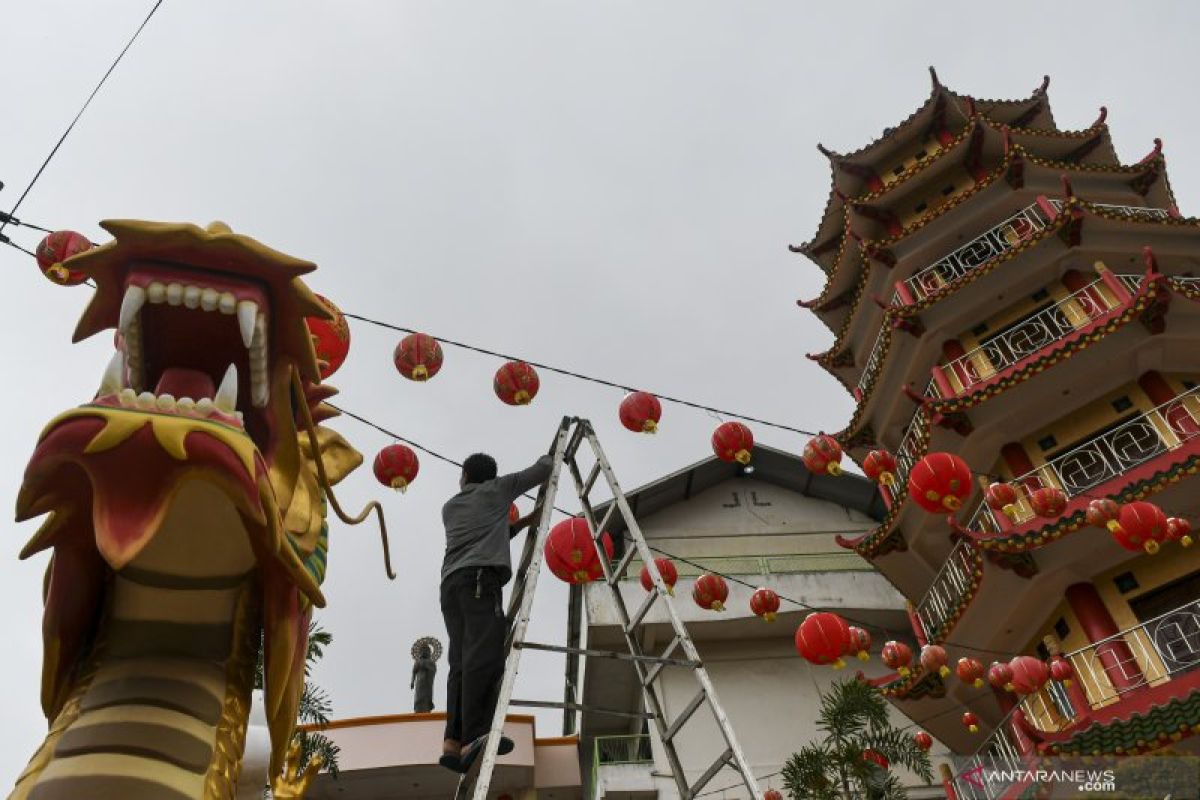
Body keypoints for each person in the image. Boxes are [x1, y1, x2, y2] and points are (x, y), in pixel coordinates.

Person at [439, 451, 552, 773]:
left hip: (452, 586)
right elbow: (541, 469)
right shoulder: (498, 489)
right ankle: (476, 733)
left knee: (460, 661)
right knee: (484, 657)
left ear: (464, 475)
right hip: (479, 582)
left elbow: (488, 532)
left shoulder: (451, 507)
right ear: (490, 476)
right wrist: (554, 447)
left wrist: (522, 523)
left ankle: (452, 740)